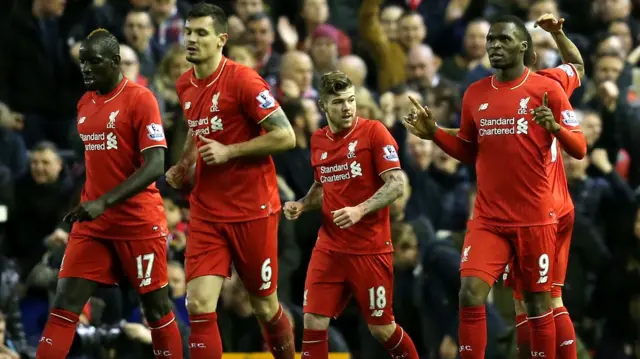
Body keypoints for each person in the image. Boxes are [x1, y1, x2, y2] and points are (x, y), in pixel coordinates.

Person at [402, 15, 586, 359]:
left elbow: (579, 145)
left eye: (503, 40)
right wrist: (436, 134)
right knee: (470, 293)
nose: (494, 46)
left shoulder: (549, 86)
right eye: (491, 40)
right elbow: (469, 149)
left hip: (539, 215)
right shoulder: (474, 94)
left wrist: (556, 129)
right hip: (489, 216)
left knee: (536, 302)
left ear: (523, 47)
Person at [36, 29, 182, 359]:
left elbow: (156, 163)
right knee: (64, 304)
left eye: (95, 62)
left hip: (137, 221)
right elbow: (99, 166)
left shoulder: (141, 98)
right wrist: (89, 202)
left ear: (116, 62)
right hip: (95, 223)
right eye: (83, 63)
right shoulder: (85, 103)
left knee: (156, 308)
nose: (86, 69)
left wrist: (103, 201)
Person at [164, 3, 296, 359]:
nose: (192, 39)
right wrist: (185, 162)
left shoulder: (244, 80)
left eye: (201, 33)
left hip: (252, 209)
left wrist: (230, 151)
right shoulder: (184, 83)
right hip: (207, 209)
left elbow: (286, 136)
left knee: (265, 307)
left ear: (221, 39)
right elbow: (198, 124)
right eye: (188, 32)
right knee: (199, 304)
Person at [283, 70, 420, 359]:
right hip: (330, 247)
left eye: (350, 100)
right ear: (323, 106)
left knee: (381, 328)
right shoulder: (318, 140)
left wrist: (360, 209)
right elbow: (323, 185)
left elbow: (396, 184)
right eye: (338, 102)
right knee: (312, 321)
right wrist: (303, 204)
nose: (346, 107)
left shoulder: (374, 132)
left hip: (369, 248)